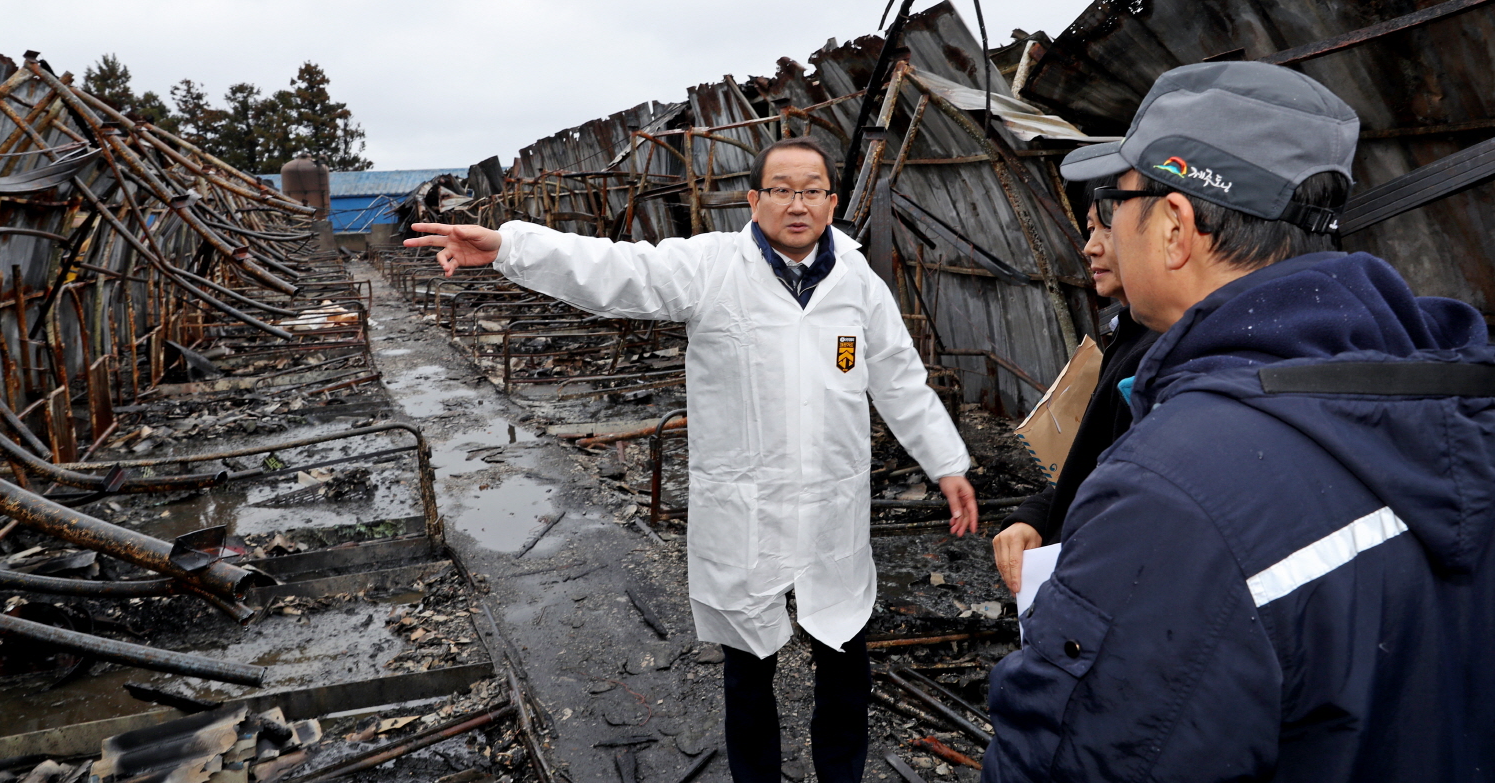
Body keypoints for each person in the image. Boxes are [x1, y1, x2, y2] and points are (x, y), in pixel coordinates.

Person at [981, 61, 1495, 782]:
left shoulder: (1173, 495)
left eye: (1116, 197)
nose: (1105, 226)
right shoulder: (1451, 399)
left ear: (1174, 227)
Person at [406, 137, 977, 783]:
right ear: (754, 199)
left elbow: (899, 377)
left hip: (830, 514)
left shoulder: (856, 281)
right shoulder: (713, 268)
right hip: (746, 512)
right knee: (749, 680)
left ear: (832, 202)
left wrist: (946, 463)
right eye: (782, 190)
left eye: (812, 190)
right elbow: (615, 270)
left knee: (844, 674)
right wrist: (511, 246)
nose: (798, 204)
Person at [991, 175, 1158, 593]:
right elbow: (1096, 466)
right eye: (1089, 229)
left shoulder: (1160, 359)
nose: (1091, 247)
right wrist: (1041, 514)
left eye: (1109, 227)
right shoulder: (1131, 332)